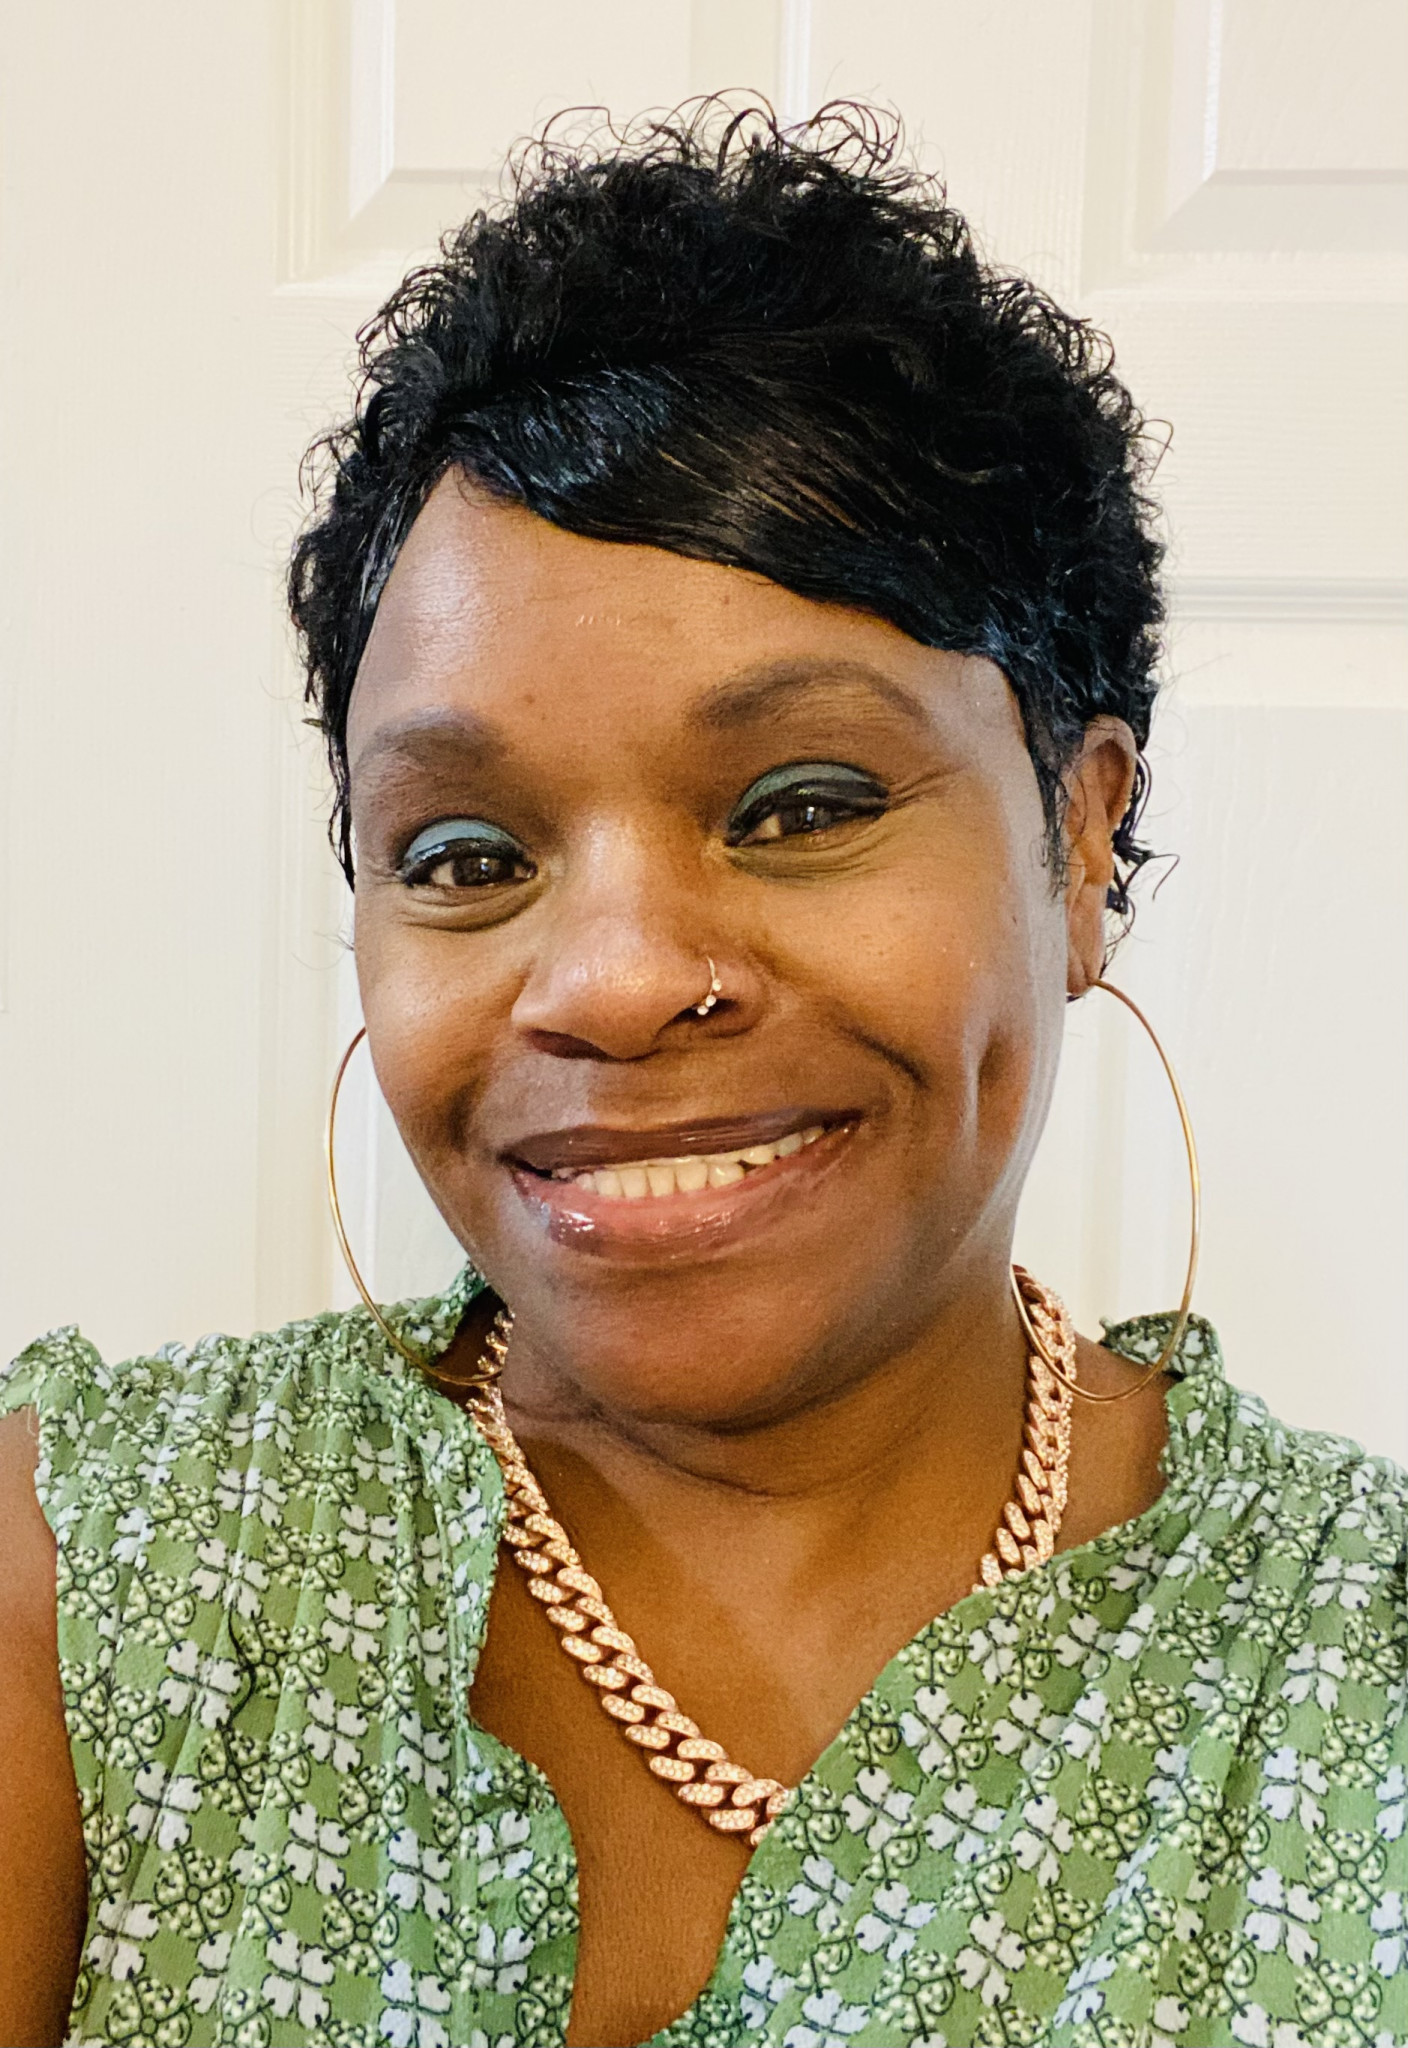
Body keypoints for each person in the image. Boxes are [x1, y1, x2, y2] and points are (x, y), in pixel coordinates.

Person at [2, 104, 1404, 2048]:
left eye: (799, 804)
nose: (612, 983)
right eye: (464, 853)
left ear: (1078, 843)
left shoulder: (1356, 1669)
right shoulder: (91, 1572)